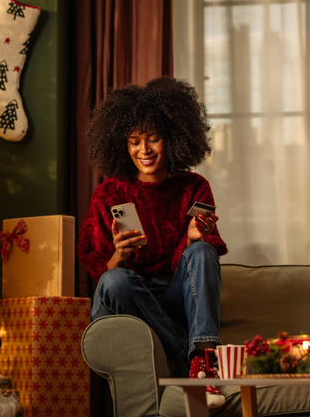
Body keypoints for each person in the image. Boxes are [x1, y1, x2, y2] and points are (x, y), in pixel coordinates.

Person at [77, 76, 228, 408]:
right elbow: (100, 273)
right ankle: (183, 350)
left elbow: (198, 269)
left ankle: (203, 361)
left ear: (172, 139)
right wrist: (118, 253)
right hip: (131, 296)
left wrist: (191, 240)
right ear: (122, 144)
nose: (143, 151)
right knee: (115, 278)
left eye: (153, 139)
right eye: (133, 141)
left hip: (174, 295)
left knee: (203, 250)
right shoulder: (110, 193)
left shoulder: (194, 187)